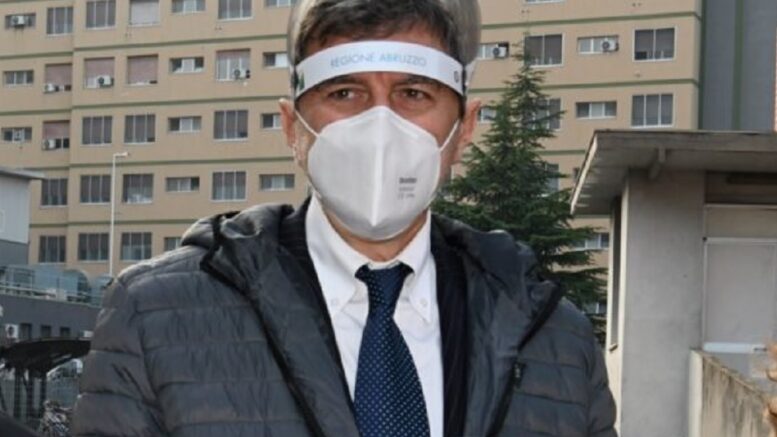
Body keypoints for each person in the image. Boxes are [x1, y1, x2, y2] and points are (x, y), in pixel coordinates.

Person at [72, 1, 617, 436]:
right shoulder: (156, 315)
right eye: (345, 92)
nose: (379, 126)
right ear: (293, 127)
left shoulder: (557, 341)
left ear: (464, 129)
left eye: (413, 93)